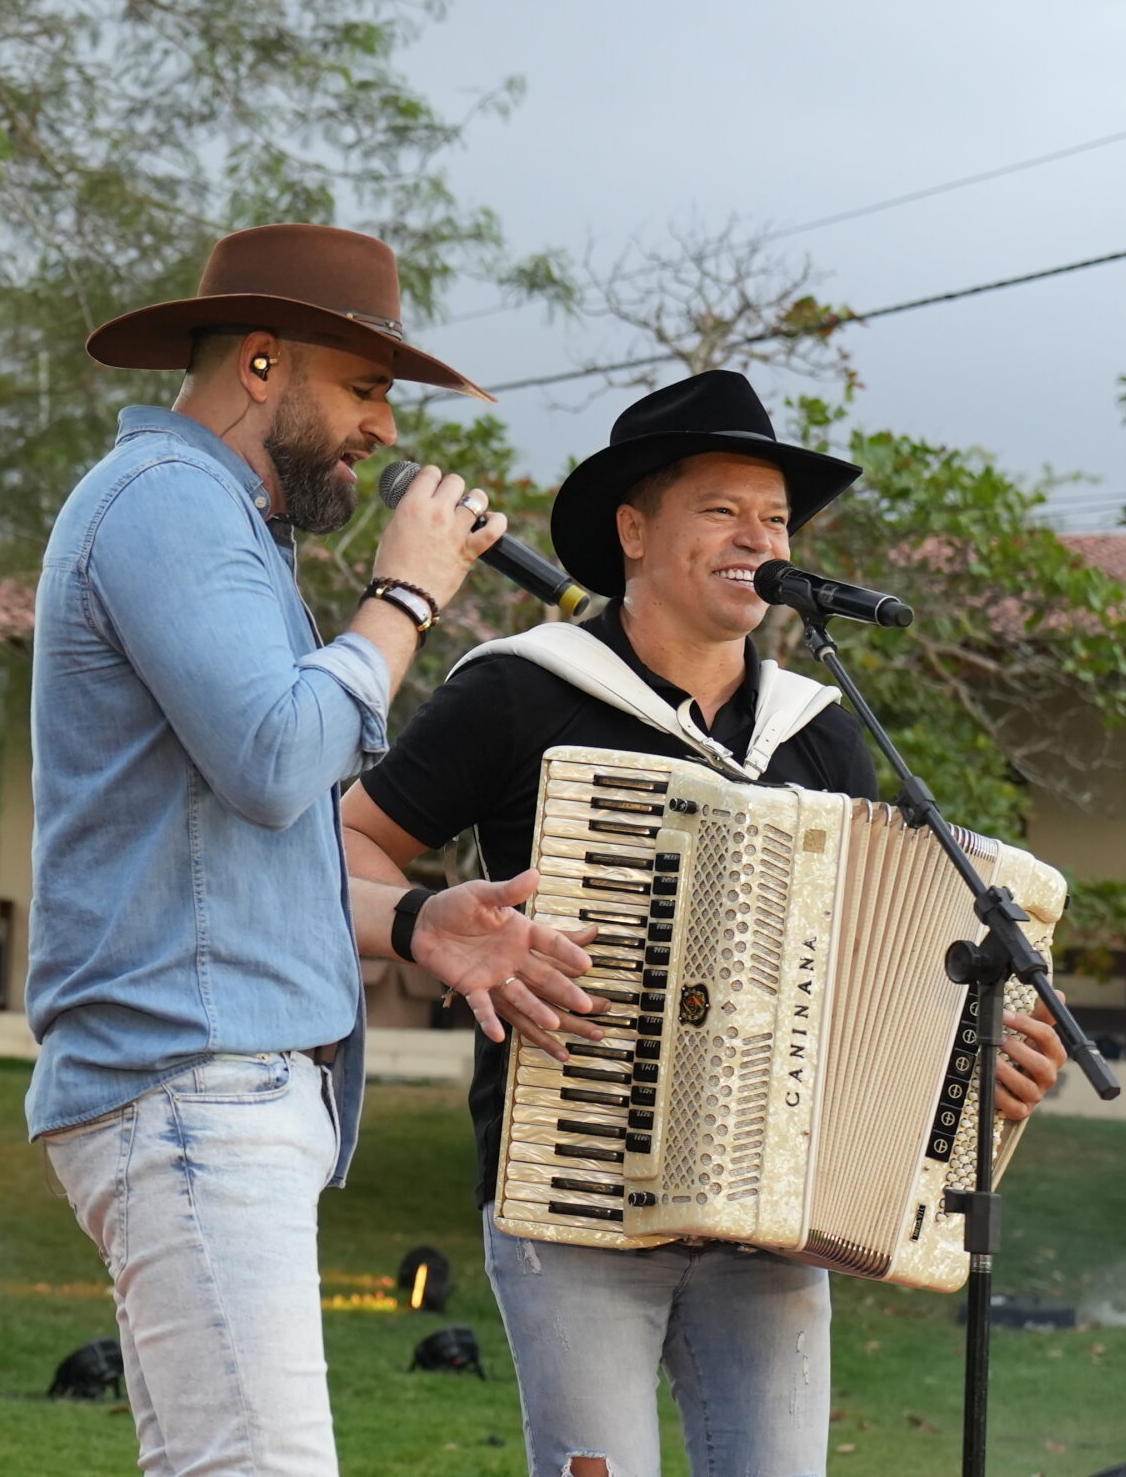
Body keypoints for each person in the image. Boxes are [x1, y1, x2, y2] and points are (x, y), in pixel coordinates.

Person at [340, 369, 1070, 1477]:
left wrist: (975, 1069)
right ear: (632, 530)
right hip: (573, 1197)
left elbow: (871, 979)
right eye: (722, 510)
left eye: (775, 518)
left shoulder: (815, 733)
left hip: (771, 1225)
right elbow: (339, 853)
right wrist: (430, 918)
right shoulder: (517, 693)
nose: (757, 538)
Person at [27, 223, 603, 1477]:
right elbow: (282, 762)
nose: (386, 430)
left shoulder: (217, 526)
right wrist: (401, 597)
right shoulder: (169, 506)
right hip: (189, 1078)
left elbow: (220, 855)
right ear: (261, 362)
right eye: (364, 388)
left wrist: (413, 923)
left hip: (210, 1079)